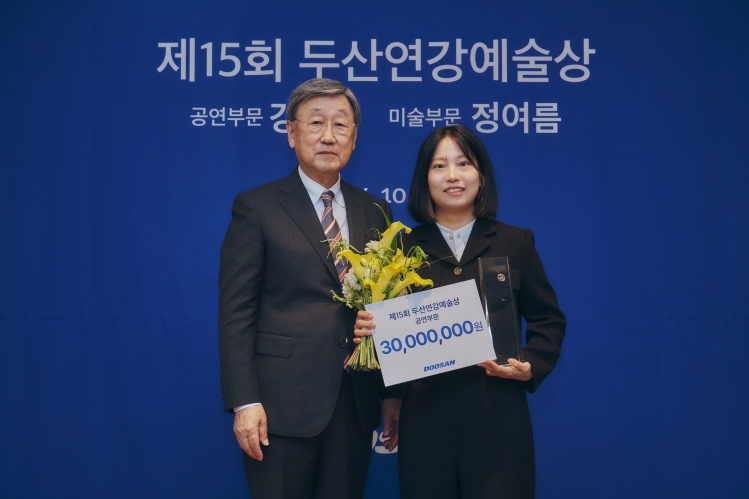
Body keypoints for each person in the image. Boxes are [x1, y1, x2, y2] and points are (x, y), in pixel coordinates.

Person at [354, 125, 566, 498]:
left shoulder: (515, 242)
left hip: (499, 415)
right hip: (424, 416)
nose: (452, 176)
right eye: (439, 166)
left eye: (464, 163)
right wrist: (389, 390)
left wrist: (531, 364)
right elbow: (391, 333)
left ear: (481, 175)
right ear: (424, 179)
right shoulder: (401, 248)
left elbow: (548, 319)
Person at [219, 78, 401, 499]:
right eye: (316, 122)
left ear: (354, 137)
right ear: (291, 132)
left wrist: (392, 394)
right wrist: (245, 402)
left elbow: (390, 306)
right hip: (280, 407)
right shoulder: (258, 207)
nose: (328, 136)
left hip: (355, 404)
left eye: (341, 124)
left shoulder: (376, 210)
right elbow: (236, 313)